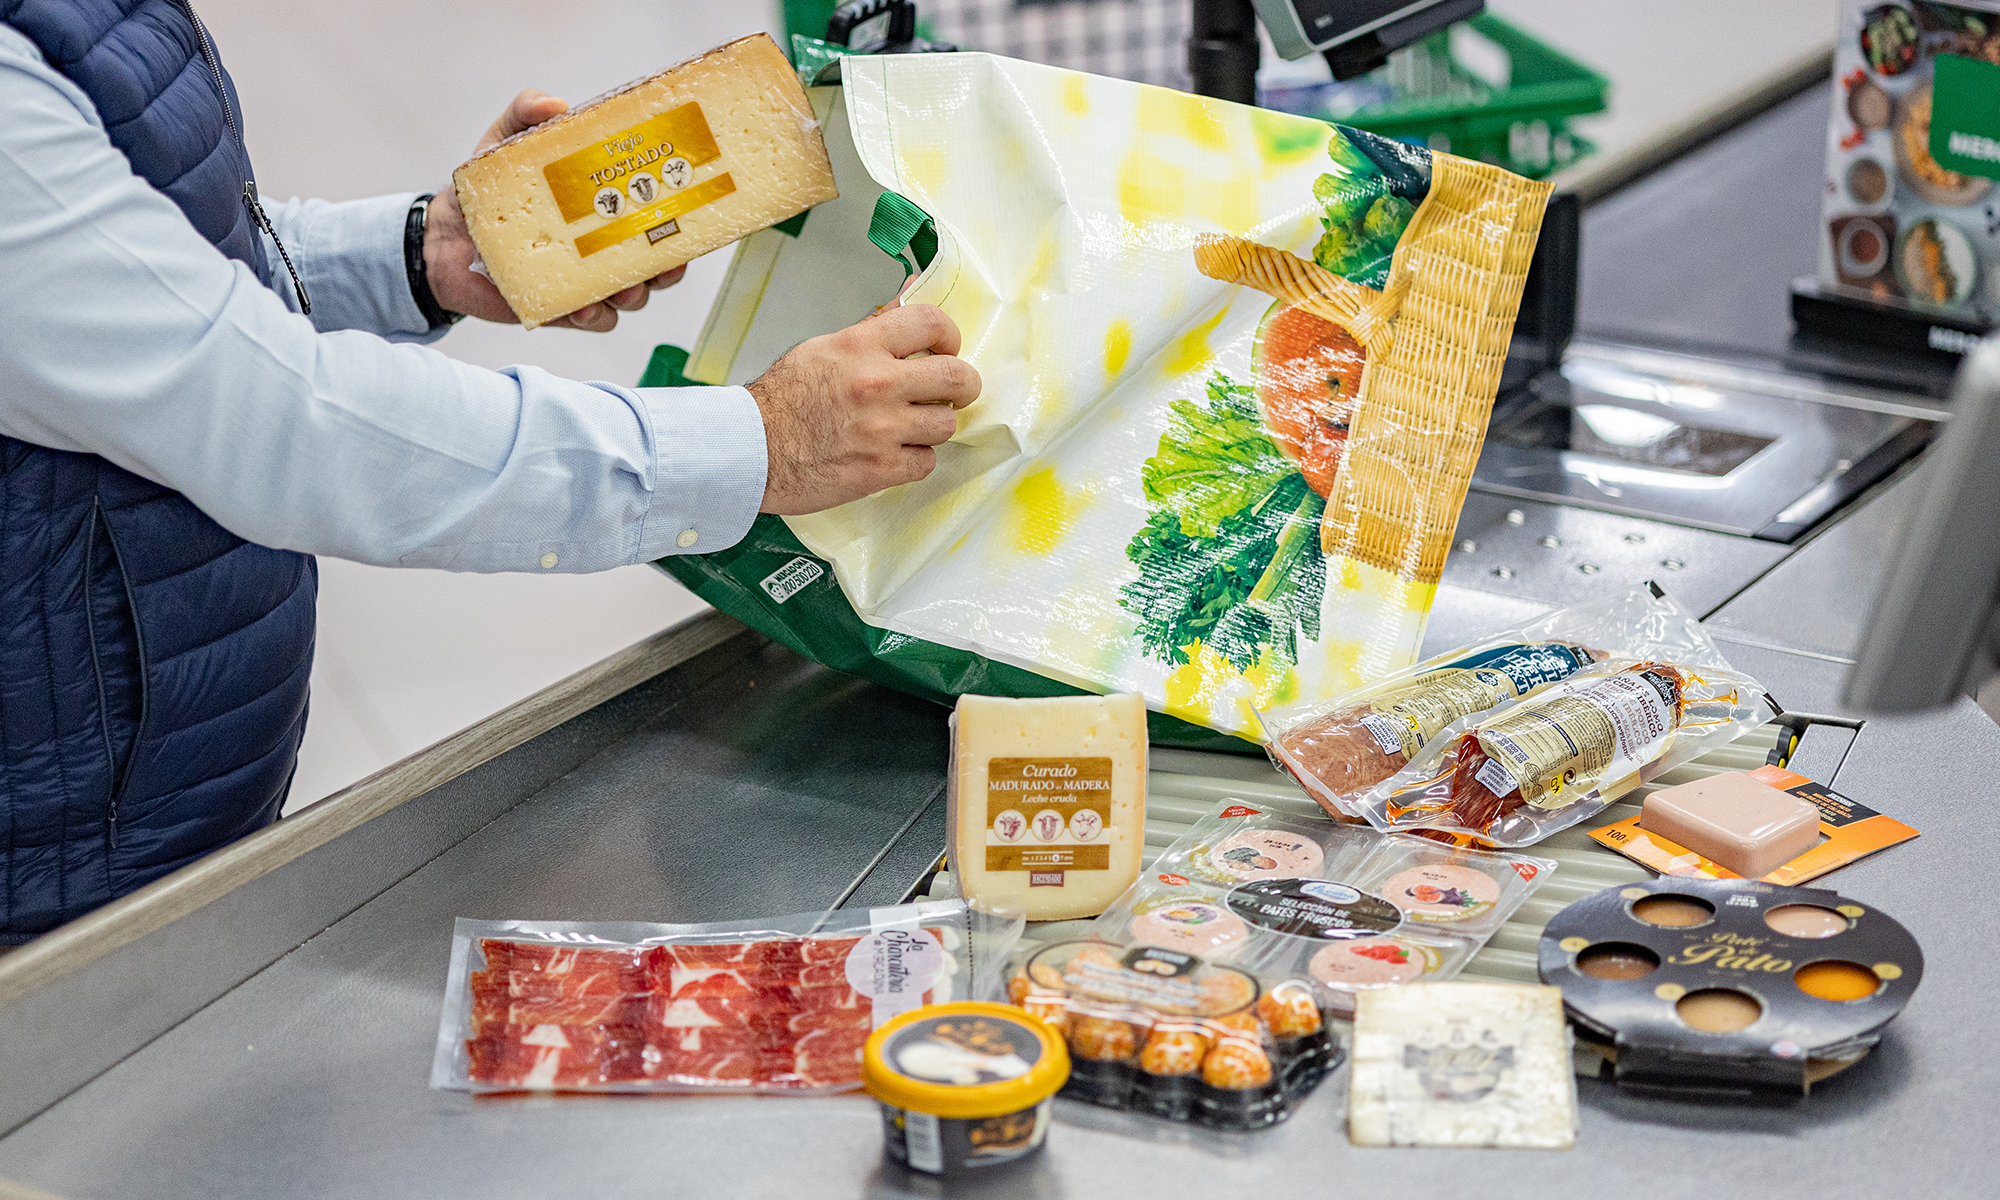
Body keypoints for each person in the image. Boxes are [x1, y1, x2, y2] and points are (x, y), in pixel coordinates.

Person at [0, 3, 980, 943]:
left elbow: (165, 265)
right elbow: (276, 417)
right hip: (57, 842)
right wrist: (757, 443)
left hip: (155, 757)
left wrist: (424, 254)